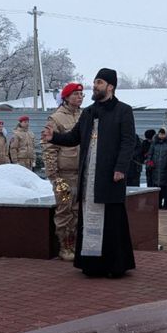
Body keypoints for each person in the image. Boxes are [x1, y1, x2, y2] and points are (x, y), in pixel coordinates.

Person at [42, 68, 136, 278]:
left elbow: (129, 142)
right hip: (88, 176)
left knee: (111, 220)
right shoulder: (89, 112)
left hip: (110, 175)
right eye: (94, 82)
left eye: (99, 82)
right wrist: (54, 137)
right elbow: (74, 137)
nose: (94, 86)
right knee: (89, 218)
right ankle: (92, 265)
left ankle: (114, 265)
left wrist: (120, 167)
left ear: (110, 86)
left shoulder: (123, 111)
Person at [42, 82, 83, 261]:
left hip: (81, 174)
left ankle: (75, 245)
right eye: (75, 94)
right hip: (64, 176)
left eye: (81, 94)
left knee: (77, 211)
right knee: (65, 211)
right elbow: (49, 148)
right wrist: (54, 177)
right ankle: (65, 247)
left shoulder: (84, 116)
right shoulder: (56, 118)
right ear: (66, 97)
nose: (79, 97)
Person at [147, 128, 167, 209]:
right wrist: (150, 164)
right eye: (160, 134)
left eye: (163, 134)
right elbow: (150, 155)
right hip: (155, 169)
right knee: (156, 186)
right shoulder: (154, 144)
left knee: (166, 187)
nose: (161, 135)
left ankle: (165, 203)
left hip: (166, 169)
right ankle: (158, 203)